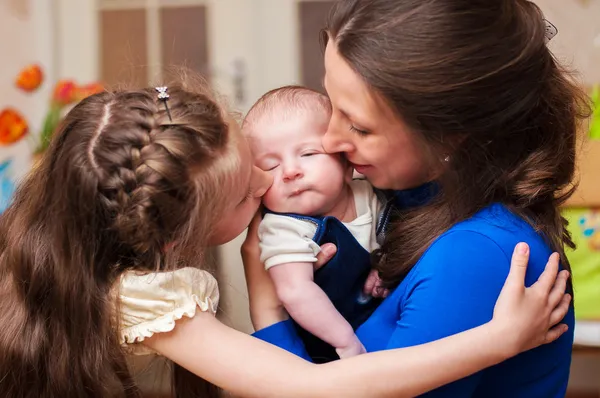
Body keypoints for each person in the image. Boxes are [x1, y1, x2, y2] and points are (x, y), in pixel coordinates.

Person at [0, 78, 570, 398]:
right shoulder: (145, 299)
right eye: (251, 192)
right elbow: (310, 390)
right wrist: (497, 341)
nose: (271, 184)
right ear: (179, 241)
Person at [244, 1, 589, 397]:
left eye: (358, 125)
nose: (329, 141)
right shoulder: (397, 201)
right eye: (331, 106)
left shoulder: (473, 255)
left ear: (450, 136)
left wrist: (267, 309)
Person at [243, 85, 386, 360]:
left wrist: (391, 263)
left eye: (308, 154)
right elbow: (295, 291)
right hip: (329, 349)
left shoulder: (370, 193)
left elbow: (409, 230)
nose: (290, 172)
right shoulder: (283, 227)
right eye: (270, 166)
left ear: (346, 162)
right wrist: (345, 342)